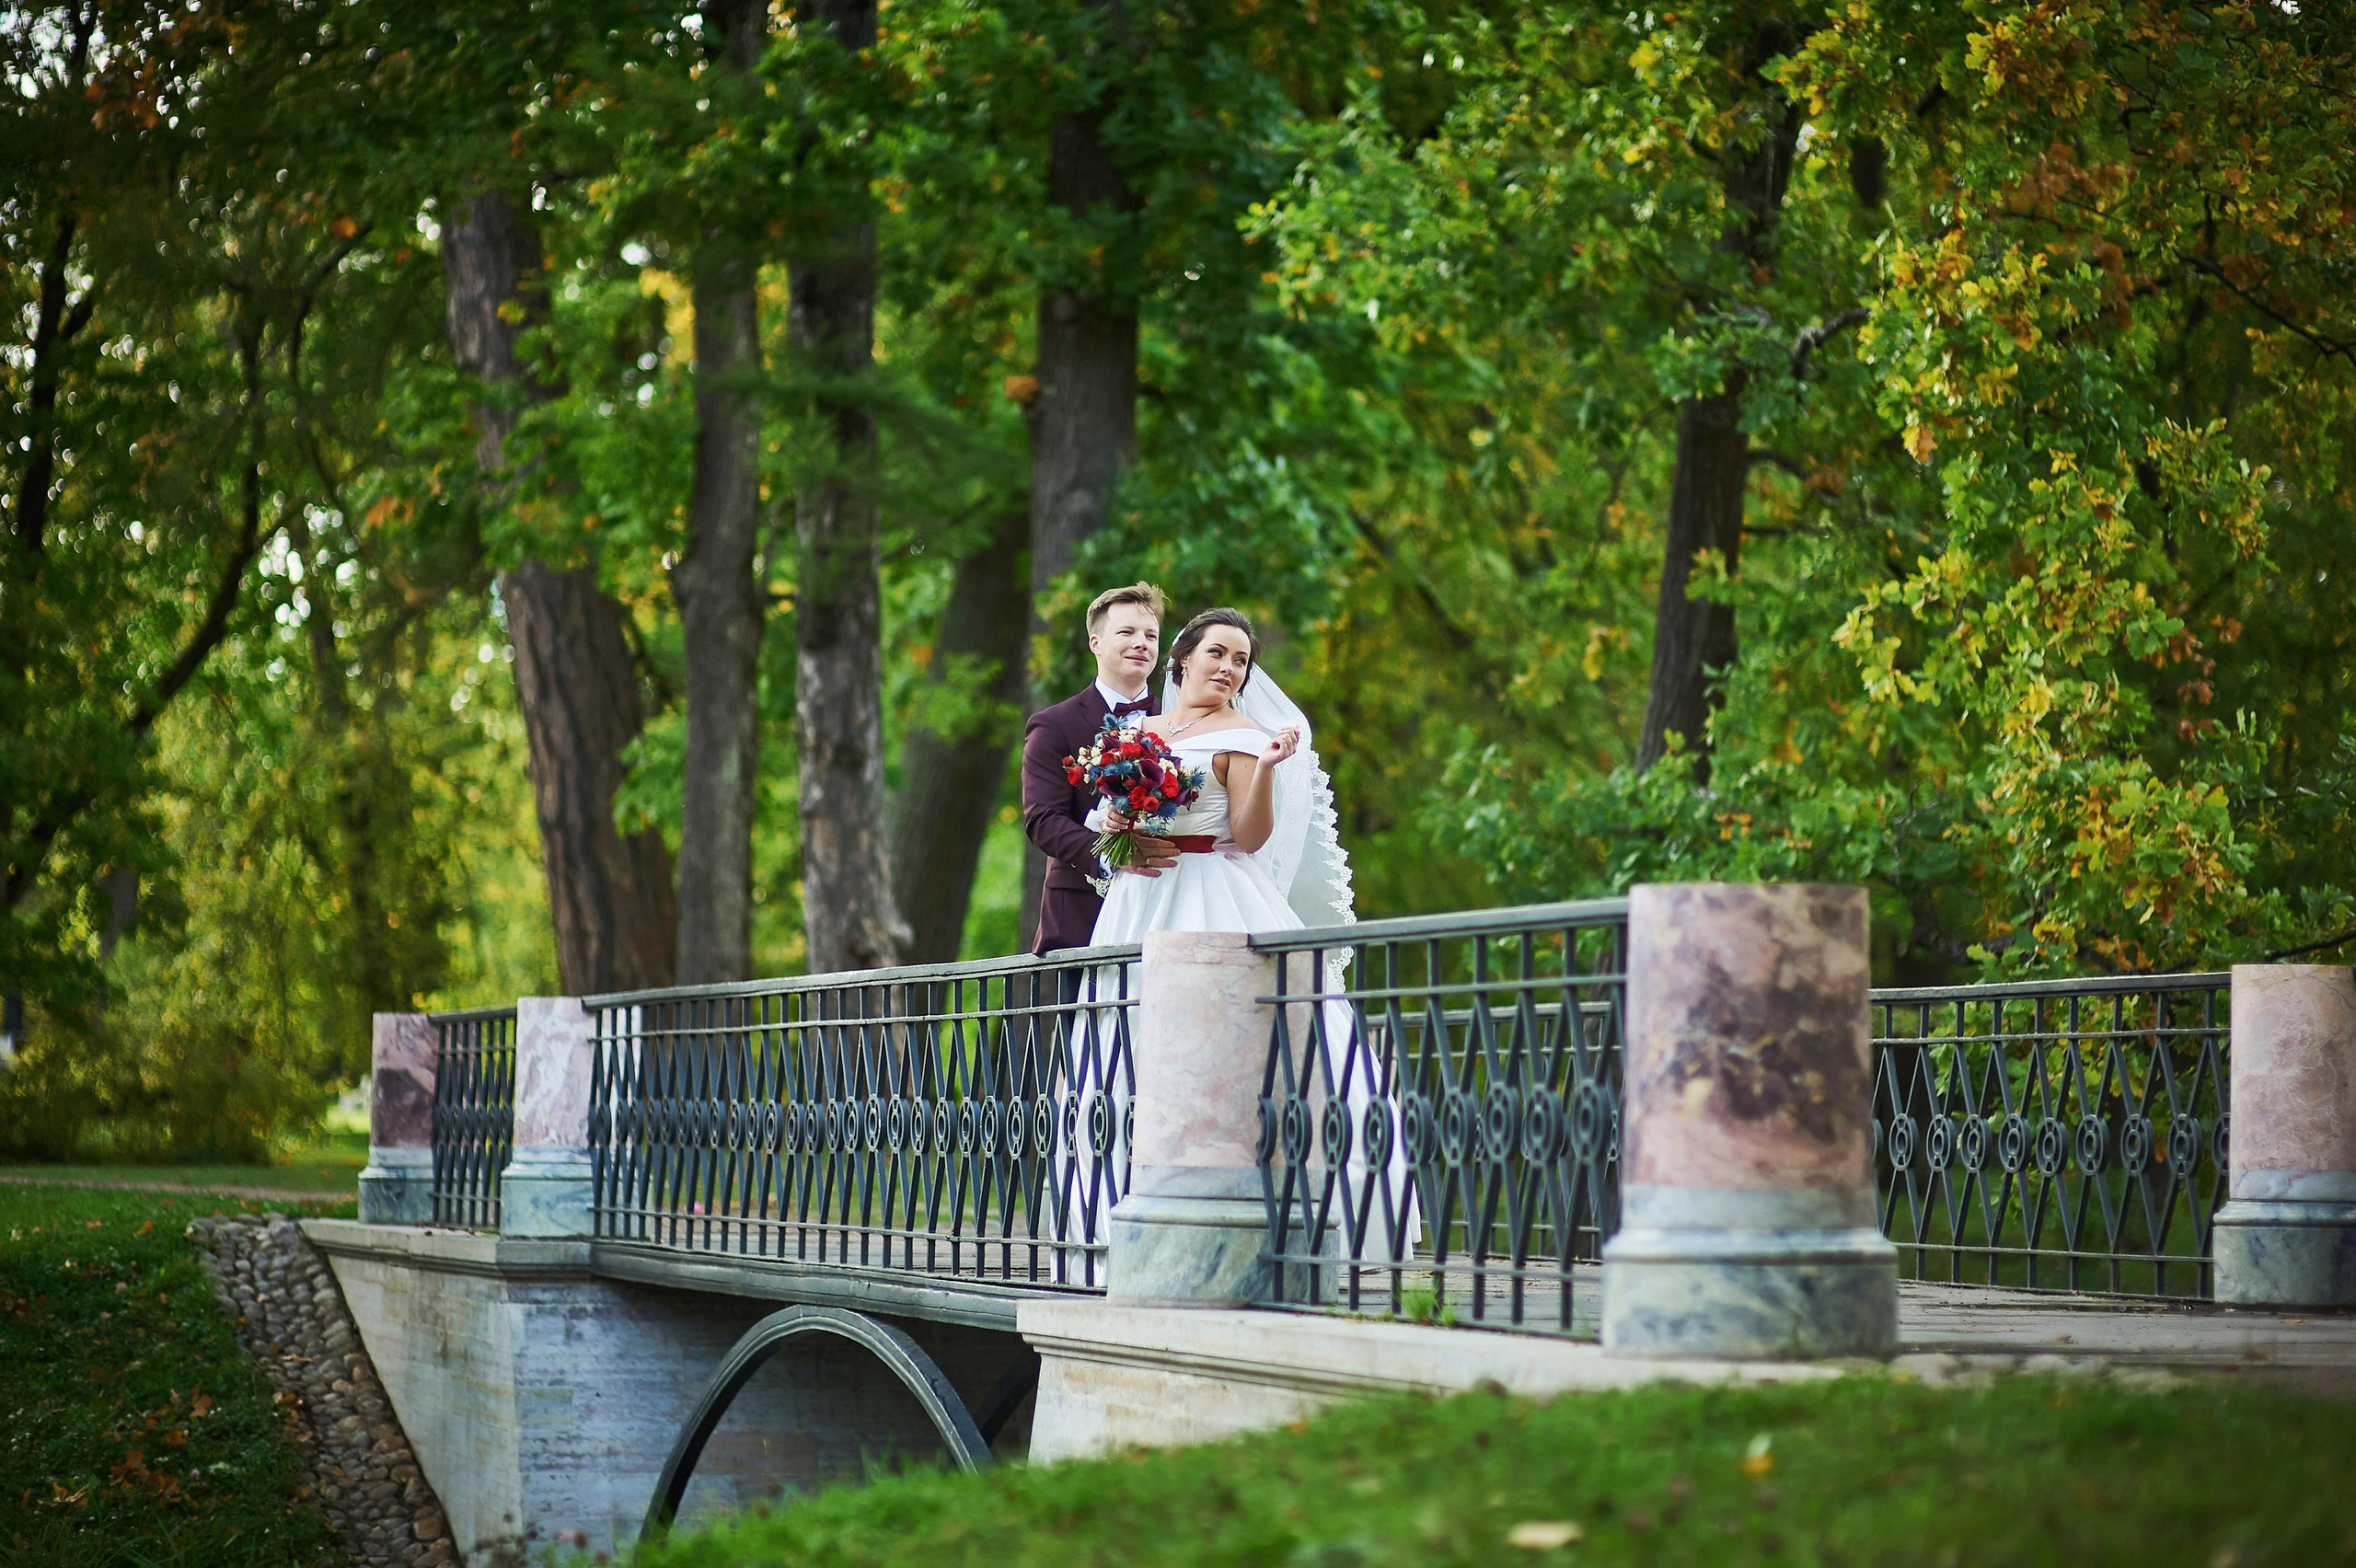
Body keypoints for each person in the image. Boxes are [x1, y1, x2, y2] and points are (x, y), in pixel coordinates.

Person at [1020, 582, 1182, 954]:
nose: (1141, 643)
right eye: (1126, 632)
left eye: (1151, 635)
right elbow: (1043, 820)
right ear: (1095, 642)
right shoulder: (1053, 724)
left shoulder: (1178, 722)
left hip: (1168, 899)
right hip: (1081, 909)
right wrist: (1115, 853)